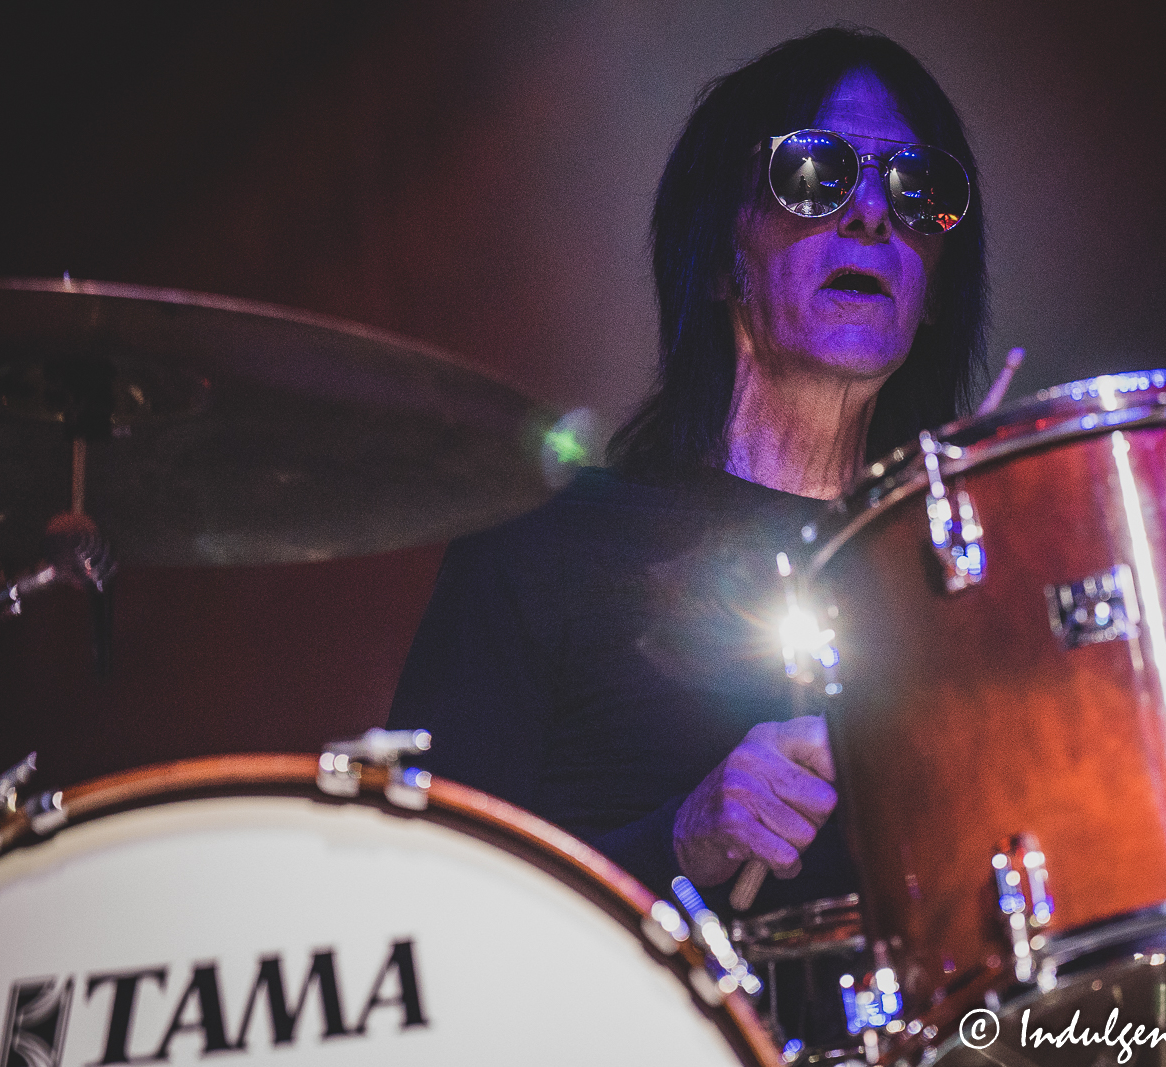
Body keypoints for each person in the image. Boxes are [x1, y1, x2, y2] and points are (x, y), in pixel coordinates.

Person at [388, 26, 986, 915]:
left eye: (918, 190)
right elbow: (420, 910)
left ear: (935, 288)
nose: (871, 215)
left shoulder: (966, 572)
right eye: (815, 174)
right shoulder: (541, 541)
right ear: (717, 256)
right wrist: (679, 839)